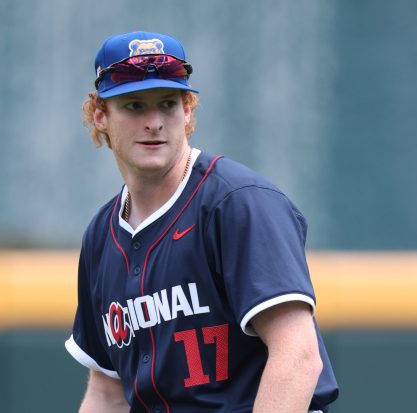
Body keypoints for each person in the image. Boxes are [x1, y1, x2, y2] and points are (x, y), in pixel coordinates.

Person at [65, 31, 339, 413]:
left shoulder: (238, 204)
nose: (154, 122)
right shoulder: (101, 236)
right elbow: (107, 392)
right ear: (100, 115)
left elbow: (298, 356)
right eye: (133, 106)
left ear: (188, 111)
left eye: (167, 104)